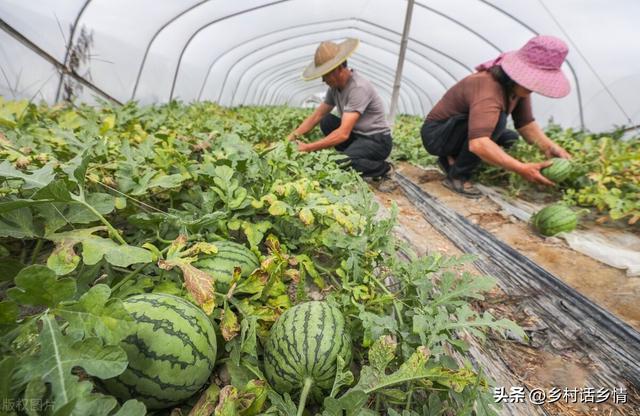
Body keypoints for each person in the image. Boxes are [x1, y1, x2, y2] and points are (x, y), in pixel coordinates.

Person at [421, 35, 572, 198]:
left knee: (511, 138)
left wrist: (550, 147)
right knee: (497, 123)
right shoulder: (488, 87)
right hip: (437, 136)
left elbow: (525, 125)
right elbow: (479, 144)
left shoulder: (518, 87)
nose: (534, 86)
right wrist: (521, 168)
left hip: (456, 131)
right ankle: (457, 177)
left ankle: (451, 160)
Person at [287, 38, 395, 190]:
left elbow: (343, 134)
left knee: (339, 162)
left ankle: (384, 169)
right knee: (326, 121)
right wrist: (289, 139)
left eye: (325, 74)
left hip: (377, 140)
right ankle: (353, 158)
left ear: (338, 69)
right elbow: (316, 116)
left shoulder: (358, 88)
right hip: (358, 135)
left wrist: (309, 147)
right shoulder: (334, 88)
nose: (323, 79)